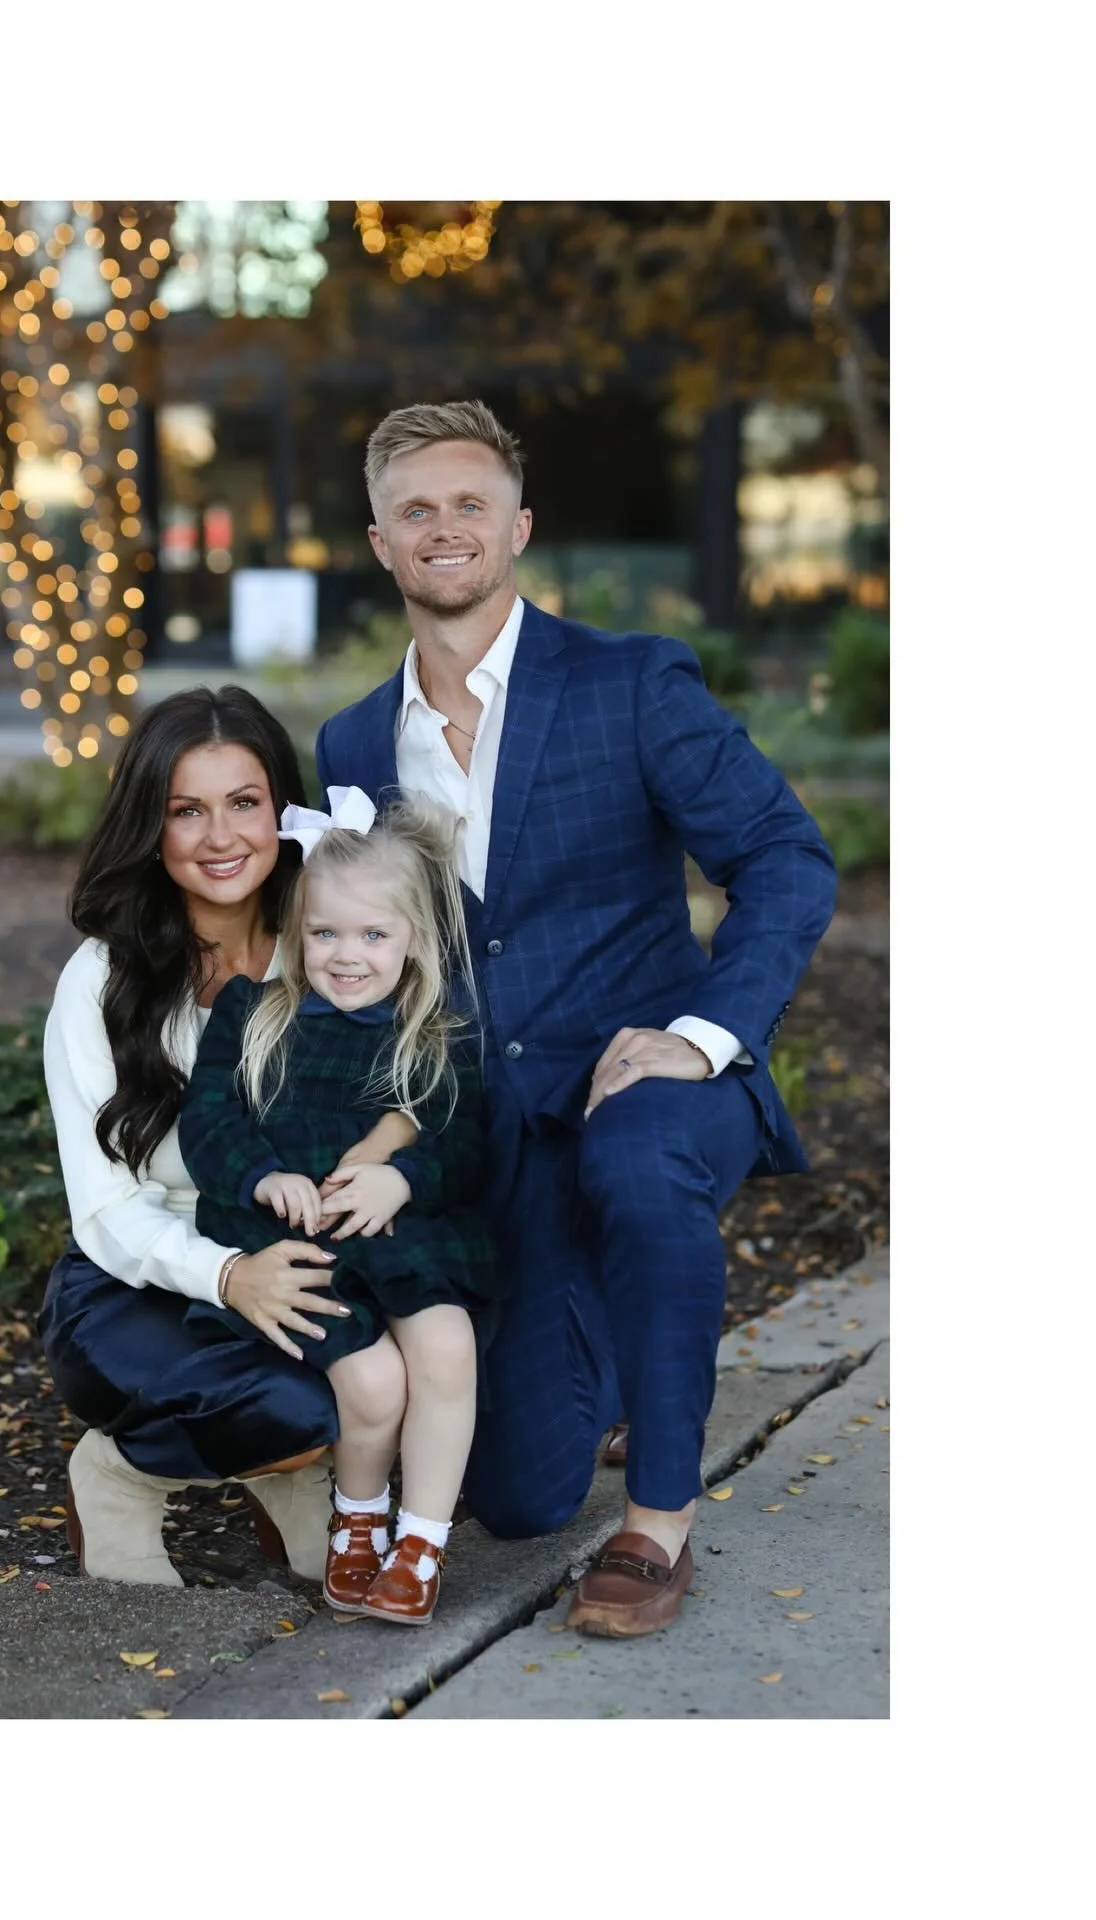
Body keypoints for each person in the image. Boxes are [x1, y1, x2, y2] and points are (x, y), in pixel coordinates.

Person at [316, 399, 838, 1638]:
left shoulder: (627, 681)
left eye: (470, 505)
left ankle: (659, 1524)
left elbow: (784, 855)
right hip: (491, 1139)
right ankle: (609, 1347)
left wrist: (704, 1034)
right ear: (381, 543)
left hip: (644, 1090)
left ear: (518, 529)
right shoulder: (347, 744)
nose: (445, 528)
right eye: (415, 511)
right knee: (518, 1495)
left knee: (642, 1150)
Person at [38, 687, 419, 1587]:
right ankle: (120, 1477)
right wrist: (227, 1275)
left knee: (381, 1379)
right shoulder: (102, 979)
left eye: (244, 803)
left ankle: (289, 1478)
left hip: (295, 1247)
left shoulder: (329, 951)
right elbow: (105, 1210)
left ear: (281, 812)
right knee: (283, 1404)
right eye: (187, 810)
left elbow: (421, 1085)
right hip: (135, 1280)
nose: (221, 837)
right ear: (151, 825)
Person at [178, 790, 499, 1627]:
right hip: (297, 1242)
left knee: (448, 1349)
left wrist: (405, 1179)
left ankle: (422, 1542)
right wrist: (258, 1176)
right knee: (374, 1381)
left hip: (398, 1234)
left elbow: (467, 1147)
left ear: (414, 942)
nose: (347, 956)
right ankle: (358, 1520)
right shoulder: (254, 1016)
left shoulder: (432, 1034)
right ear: (295, 932)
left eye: (373, 935)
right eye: (325, 934)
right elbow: (207, 1122)